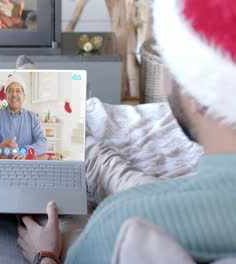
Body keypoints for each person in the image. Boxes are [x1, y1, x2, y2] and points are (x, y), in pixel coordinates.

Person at [17, 0, 236, 263]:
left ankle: (59, 118)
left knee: (61, 211)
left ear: (198, 94)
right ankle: (67, 119)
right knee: (118, 176)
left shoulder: (125, 224)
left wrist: (46, 255)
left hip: (116, 227)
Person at [0, 74, 47, 159]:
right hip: (2, 165)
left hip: (27, 165)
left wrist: (24, 151)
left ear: (24, 96)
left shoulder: (32, 117)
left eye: (18, 91)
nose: (14, 94)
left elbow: (43, 143)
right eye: (10, 91)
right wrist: (0, 148)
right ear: (5, 96)